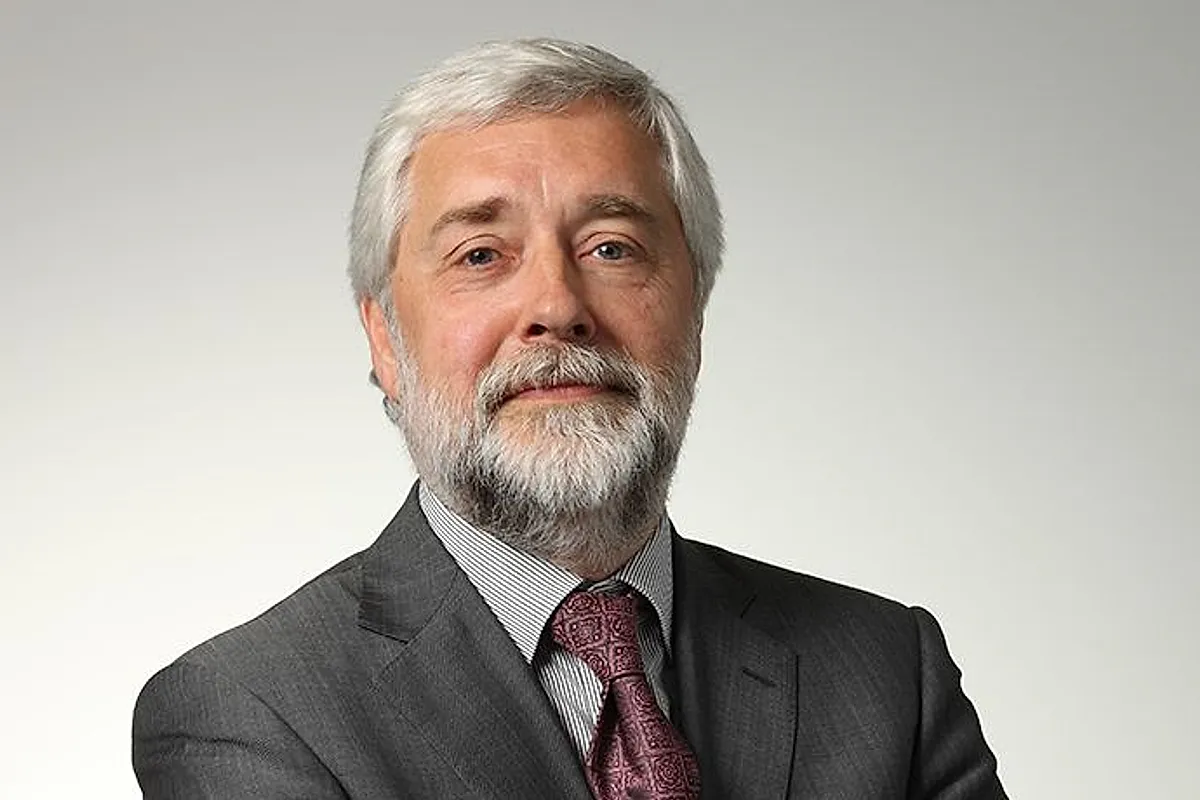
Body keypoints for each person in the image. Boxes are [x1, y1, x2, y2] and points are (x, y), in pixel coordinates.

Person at [132, 38, 1006, 799]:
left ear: (695, 315)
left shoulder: (887, 670)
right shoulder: (248, 712)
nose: (557, 306)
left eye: (611, 248)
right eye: (482, 255)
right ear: (386, 340)